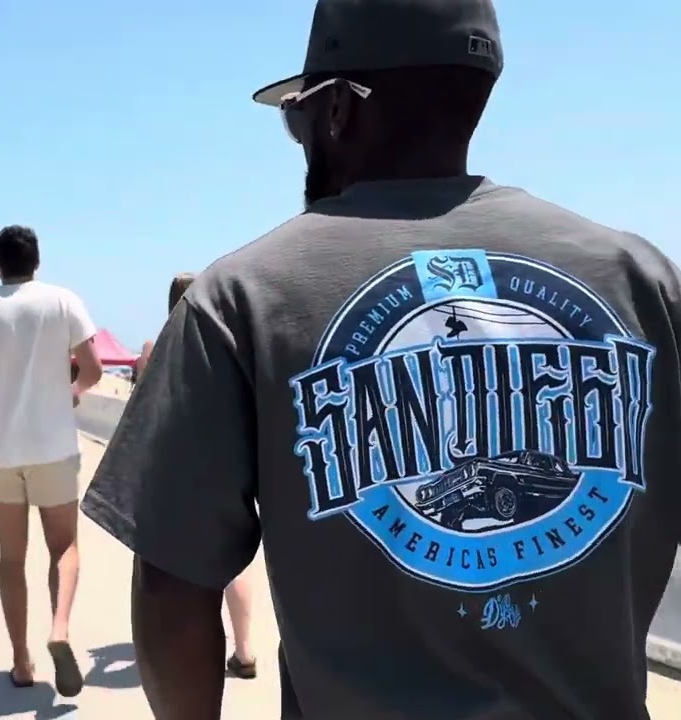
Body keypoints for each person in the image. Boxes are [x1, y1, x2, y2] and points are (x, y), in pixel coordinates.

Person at [81, 2, 681, 718]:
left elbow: (172, 583)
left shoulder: (243, 299)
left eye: (296, 113)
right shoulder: (644, 281)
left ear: (338, 111)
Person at [0, 224, 103, 698]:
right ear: (37, 262)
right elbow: (93, 369)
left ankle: (20, 660)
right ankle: (59, 629)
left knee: (11, 558)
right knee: (65, 548)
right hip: (53, 445)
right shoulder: (62, 301)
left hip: (0, 450)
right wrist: (70, 393)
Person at [166, 272, 258, 680]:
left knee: (183, 569)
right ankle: (243, 650)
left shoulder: (164, 352)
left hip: (184, 469)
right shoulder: (229, 345)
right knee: (234, 564)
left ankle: (189, 655)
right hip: (232, 463)